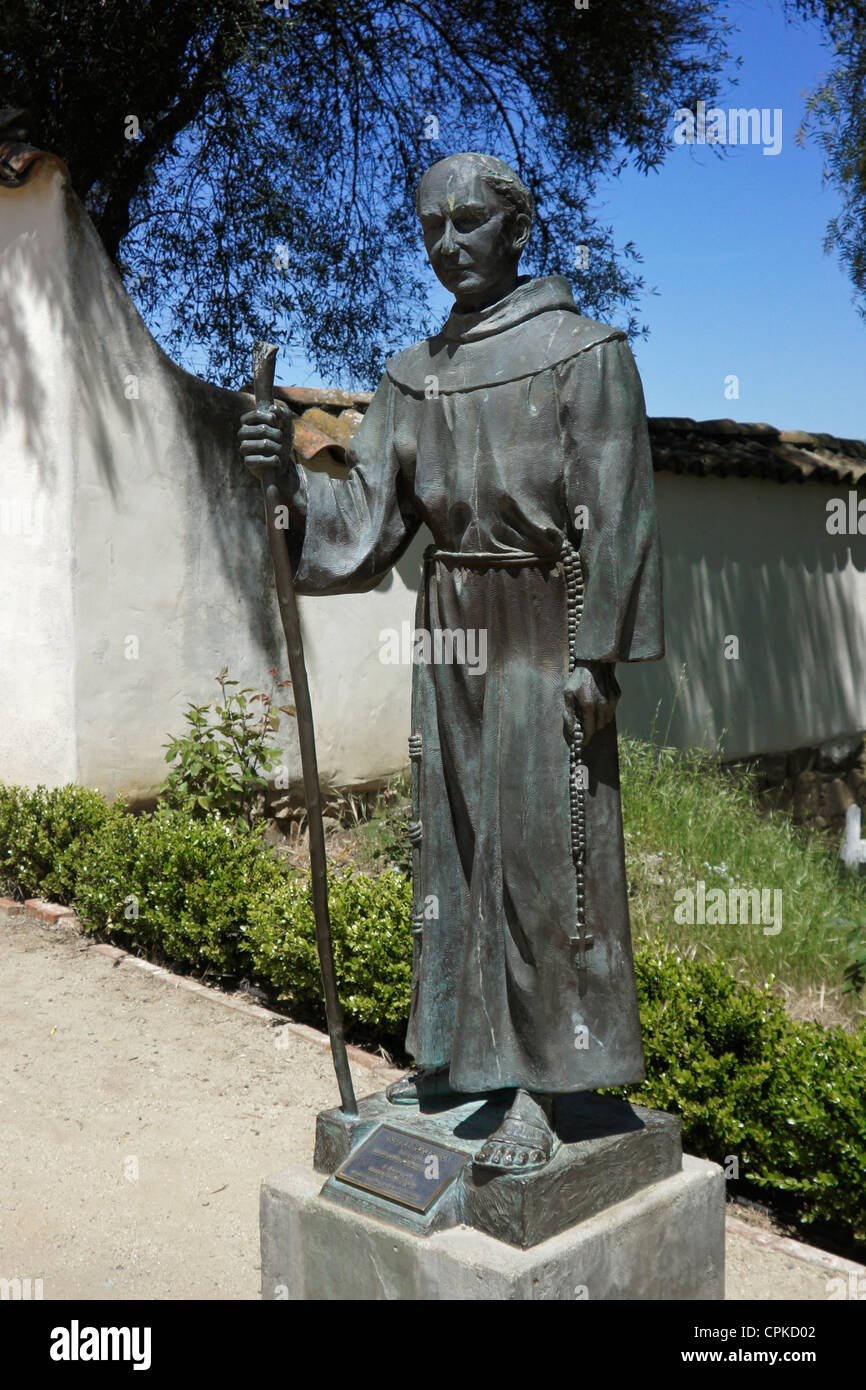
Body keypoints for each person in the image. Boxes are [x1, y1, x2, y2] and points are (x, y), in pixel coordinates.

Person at [239, 151, 664, 1171]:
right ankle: (460, 1059)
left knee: (540, 853)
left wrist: (594, 657)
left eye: (469, 223)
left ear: (518, 230)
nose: (447, 244)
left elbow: (618, 513)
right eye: (430, 227)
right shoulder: (410, 374)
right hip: (449, 622)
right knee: (451, 843)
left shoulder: (583, 351)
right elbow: (366, 521)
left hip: (542, 621)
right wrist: (290, 493)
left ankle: (547, 1084)